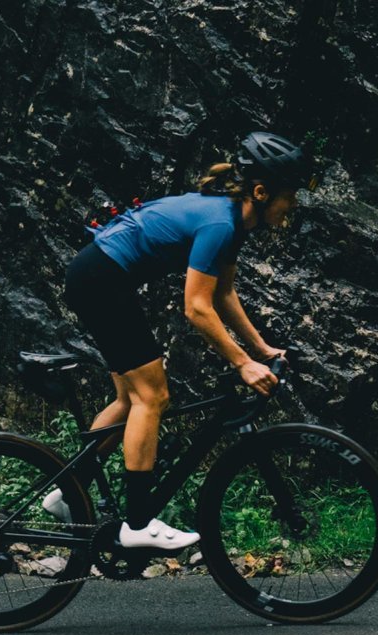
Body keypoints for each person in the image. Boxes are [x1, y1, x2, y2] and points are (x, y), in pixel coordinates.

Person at [44, 131, 315, 549]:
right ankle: (137, 525)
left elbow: (223, 295)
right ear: (261, 192)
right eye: (289, 196)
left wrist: (260, 348)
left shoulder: (230, 222)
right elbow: (197, 308)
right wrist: (242, 363)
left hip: (98, 275)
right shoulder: (220, 223)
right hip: (102, 279)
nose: (293, 206)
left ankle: (66, 494)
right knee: (153, 397)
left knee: (127, 400)